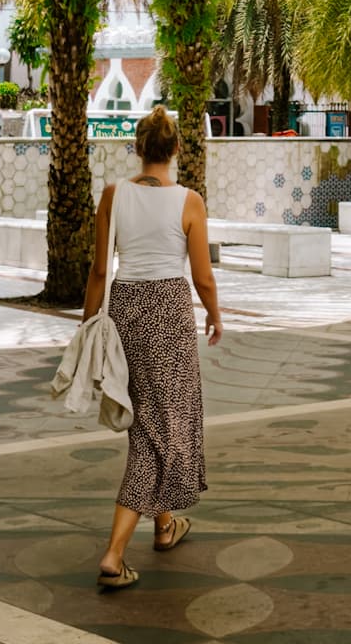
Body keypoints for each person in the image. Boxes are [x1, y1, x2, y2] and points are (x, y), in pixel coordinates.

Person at [83, 103, 221, 592]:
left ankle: (164, 526)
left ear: (138, 149)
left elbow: (100, 270)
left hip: (125, 308)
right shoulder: (189, 201)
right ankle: (114, 553)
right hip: (168, 311)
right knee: (158, 427)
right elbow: (202, 275)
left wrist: (88, 327)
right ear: (177, 149)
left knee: (148, 418)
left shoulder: (113, 195)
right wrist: (216, 314)